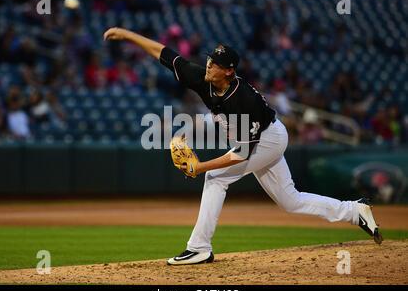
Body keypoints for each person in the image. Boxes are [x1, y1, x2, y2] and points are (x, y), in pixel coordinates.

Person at [103, 27, 383, 265]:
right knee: (290, 201)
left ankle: (199, 248)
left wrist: (200, 167)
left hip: (269, 138)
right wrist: (127, 34)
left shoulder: (243, 100)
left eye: (215, 62)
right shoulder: (204, 79)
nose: (209, 64)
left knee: (215, 177)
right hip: (259, 138)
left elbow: (240, 154)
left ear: (229, 71)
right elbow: (165, 55)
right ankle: (354, 211)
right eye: (209, 59)